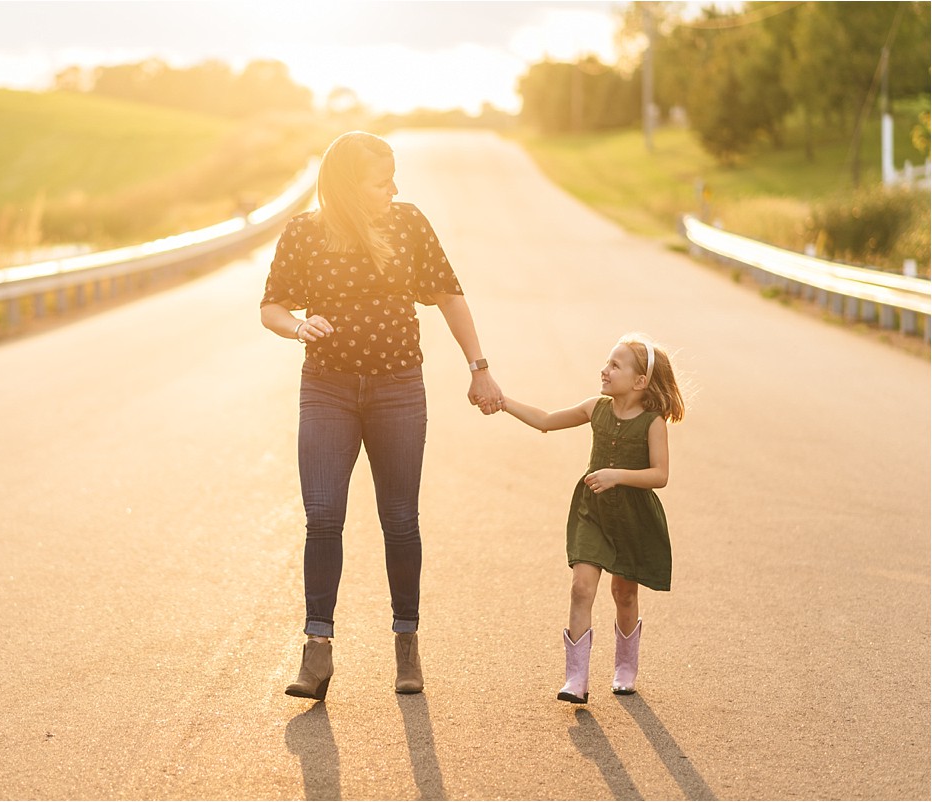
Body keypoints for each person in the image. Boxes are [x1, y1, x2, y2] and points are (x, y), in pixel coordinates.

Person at [260, 131, 502, 700]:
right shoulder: (305, 233)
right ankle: (316, 652)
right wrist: (298, 326)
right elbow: (271, 305)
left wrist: (479, 366)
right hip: (327, 389)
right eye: (381, 180)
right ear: (347, 186)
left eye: (394, 177)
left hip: (398, 388)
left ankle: (406, 646)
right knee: (322, 516)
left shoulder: (407, 222)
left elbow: (447, 293)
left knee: (399, 518)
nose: (395, 188)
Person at [499, 334, 685, 702]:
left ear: (639, 381)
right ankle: (576, 679)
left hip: (633, 516)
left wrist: (618, 475)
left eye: (615, 365)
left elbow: (660, 475)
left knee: (624, 593)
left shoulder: (652, 422)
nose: (604, 370)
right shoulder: (595, 408)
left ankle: (625, 667)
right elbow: (546, 420)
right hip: (593, 510)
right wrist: (503, 402)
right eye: (607, 362)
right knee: (581, 587)